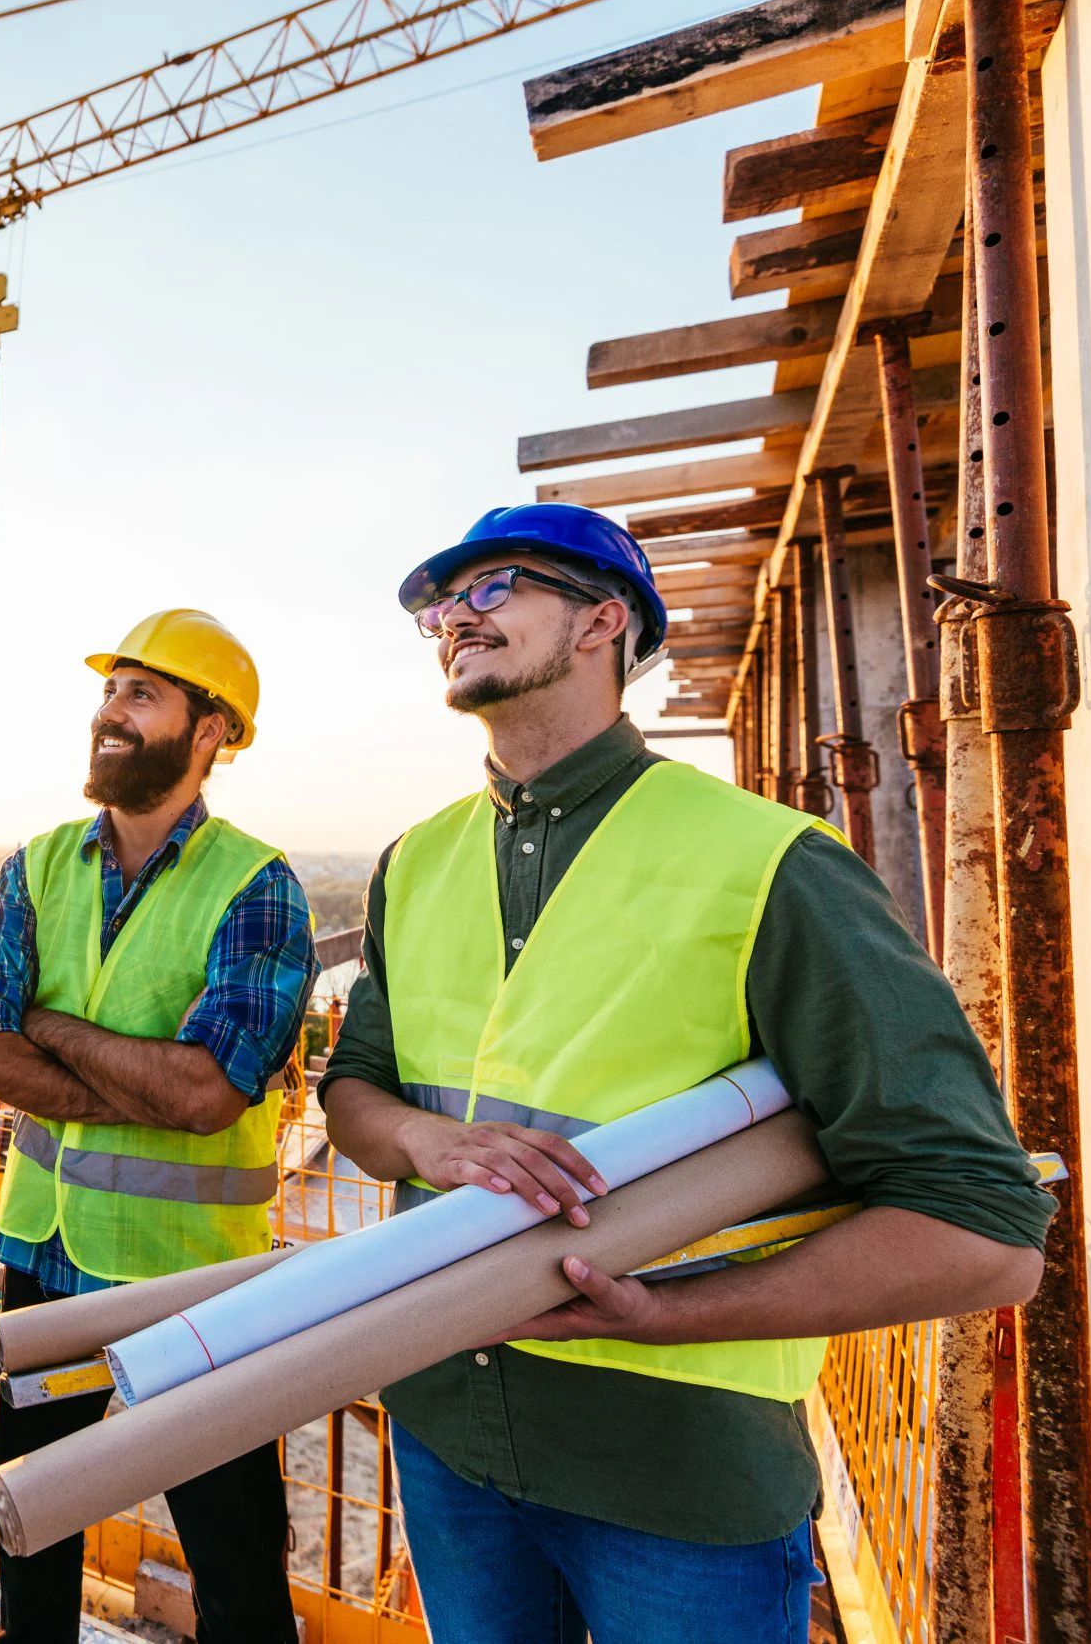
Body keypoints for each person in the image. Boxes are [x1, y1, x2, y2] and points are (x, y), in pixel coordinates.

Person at [320, 504, 1053, 1643]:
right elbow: (355, 1093)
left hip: (675, 1472)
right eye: (438, 605)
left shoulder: (770, 862)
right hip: (449, 1429)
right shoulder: (414, 862)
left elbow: (985, 1224)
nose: (454, 617)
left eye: (493, 585)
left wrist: (668, 1312)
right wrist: (429, 1142)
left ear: (605, 619)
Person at [0, 609, 315, 1644]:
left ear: (210, 732)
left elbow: (208, 1094)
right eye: (111, 691)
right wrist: (143, 1084)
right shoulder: (38, 865)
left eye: (142, 694)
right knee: (33, 1528)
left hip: (191, 1285)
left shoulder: (256, 885)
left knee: (235, 1564)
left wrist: (53, 1027)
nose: (111, 711)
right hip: (41, 1262)